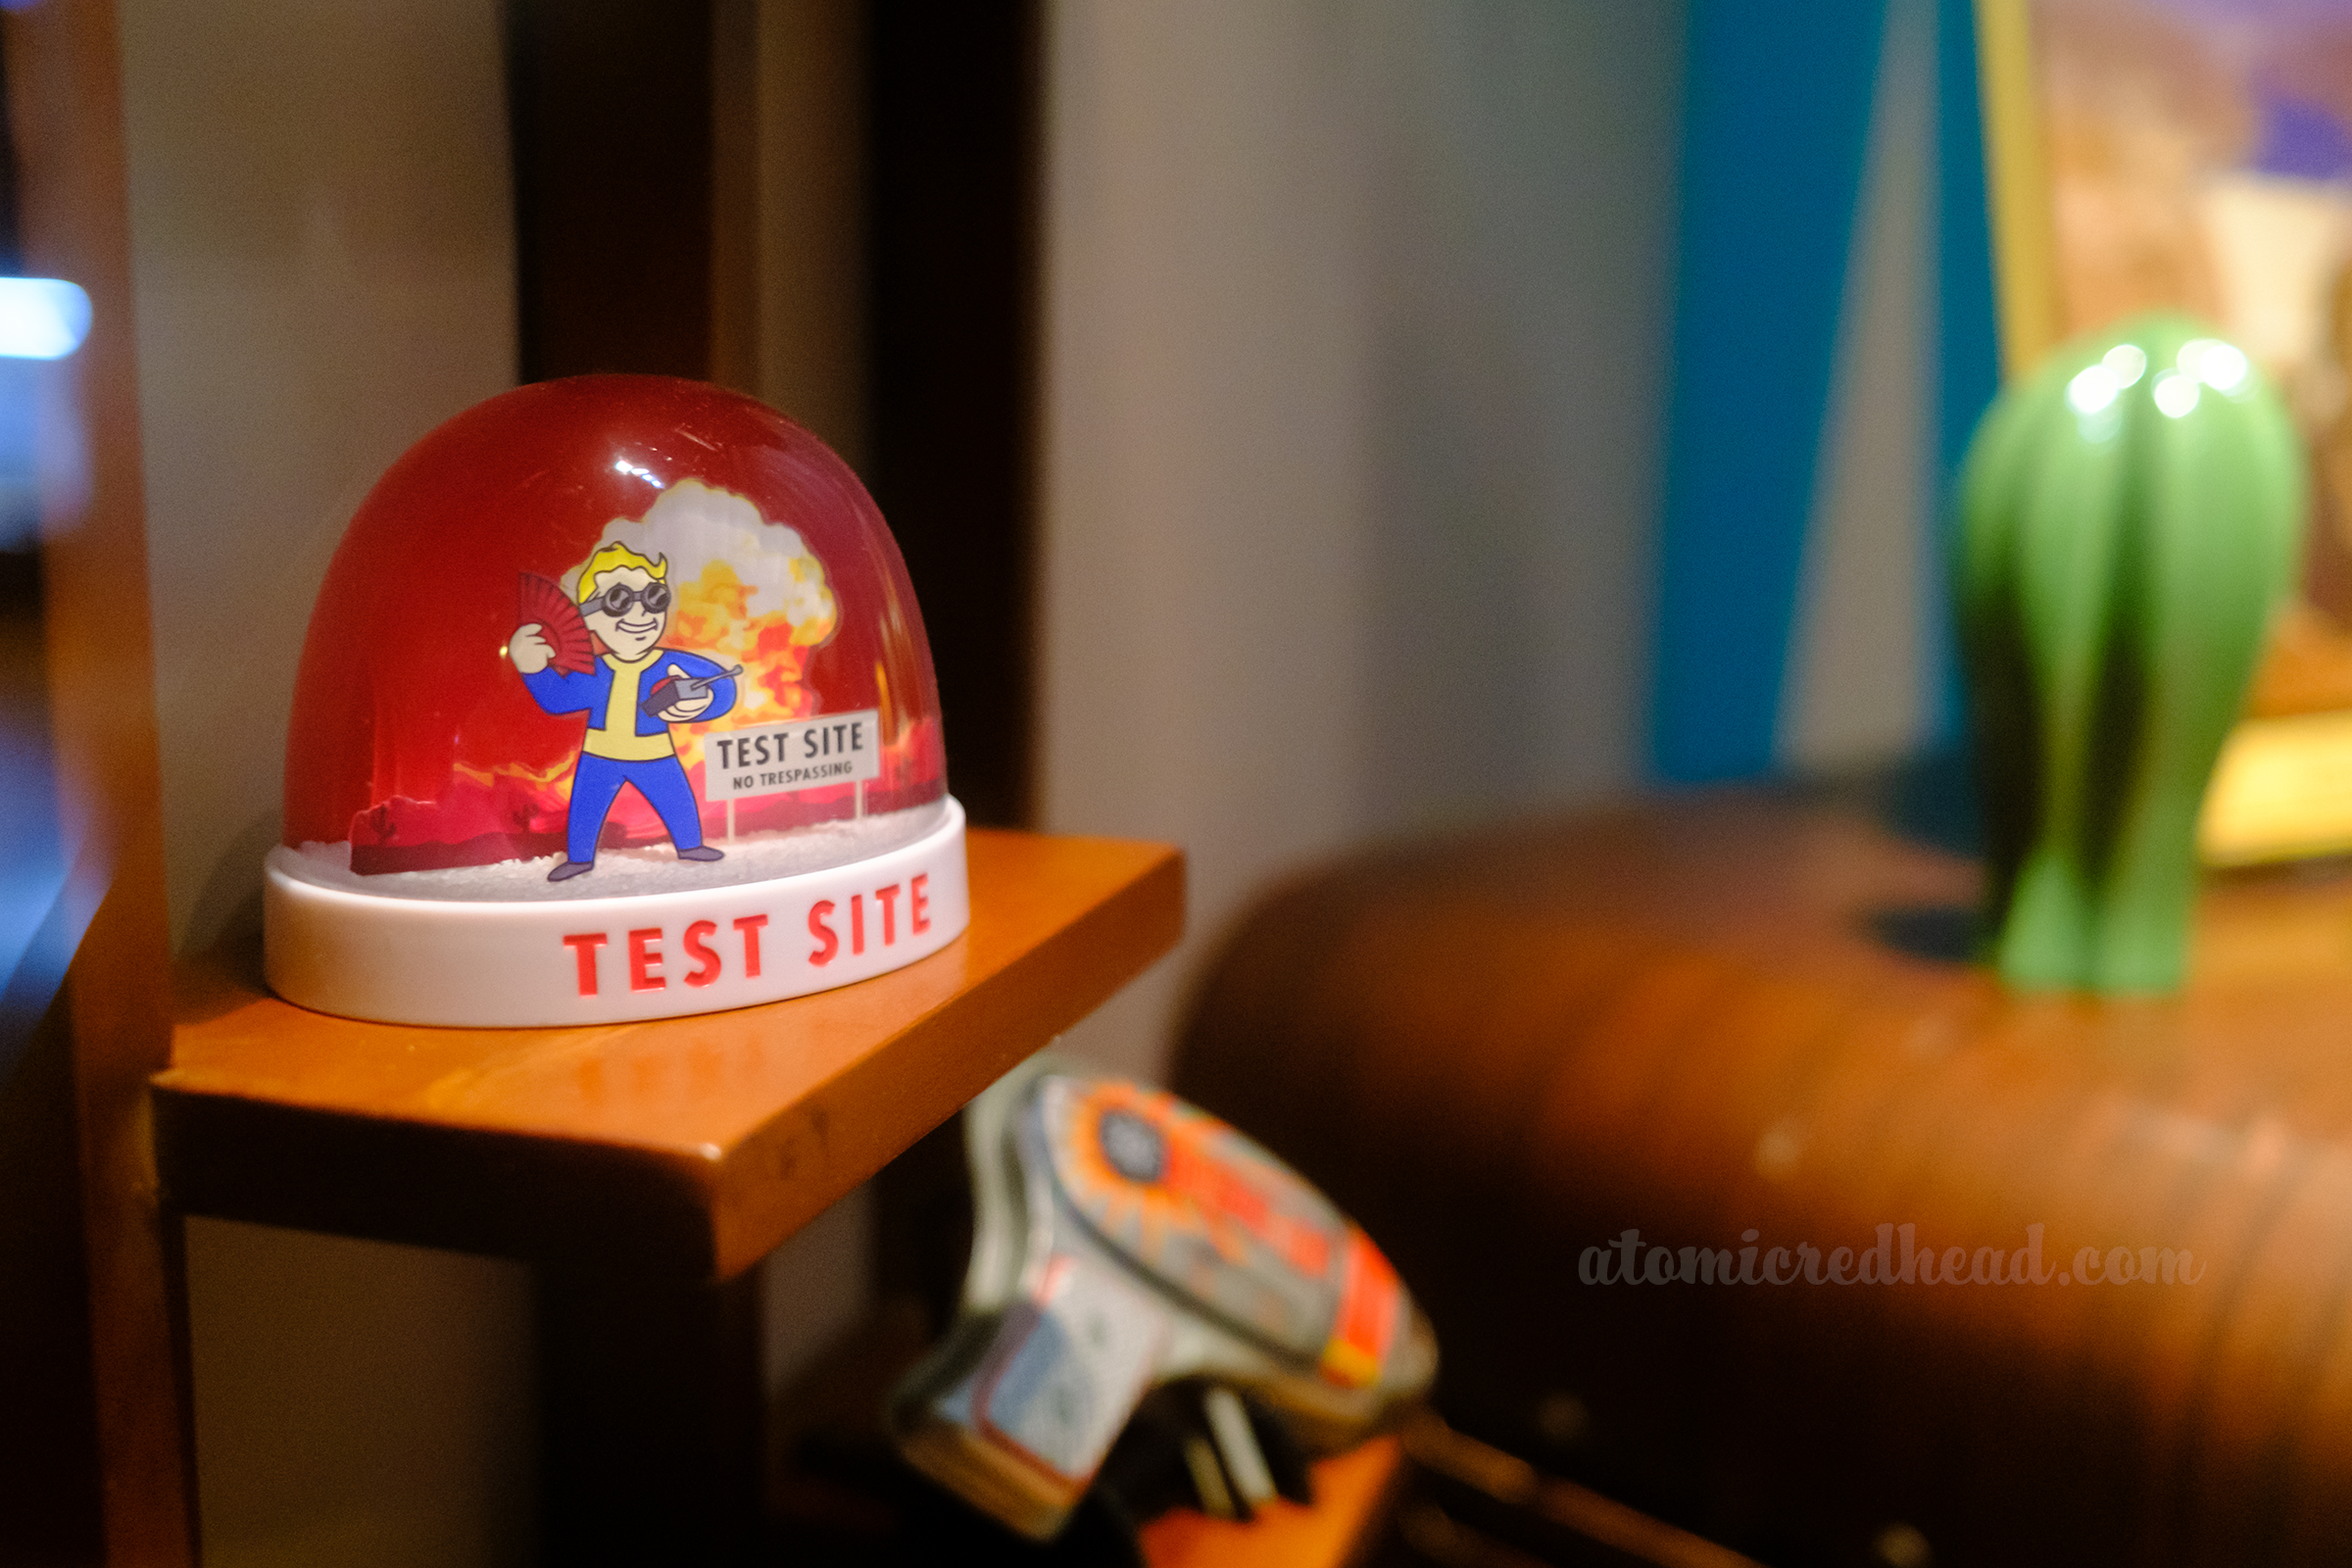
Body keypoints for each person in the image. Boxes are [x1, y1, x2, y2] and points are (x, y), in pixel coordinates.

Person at [510, 541, 739, 881]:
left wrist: (704, 701)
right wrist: (533, 669)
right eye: (619, 601)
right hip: (600, 756)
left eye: (654, 598)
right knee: (586, 810)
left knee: (677, 802)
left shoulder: (669, 663)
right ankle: (580, 858)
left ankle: (690, 845)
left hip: (656, 754)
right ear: (588, 616)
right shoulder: (596, 671)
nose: (641, 614)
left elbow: (724, 683)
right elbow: (559, 700)